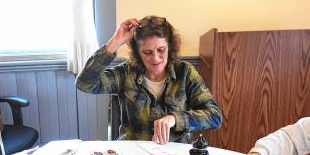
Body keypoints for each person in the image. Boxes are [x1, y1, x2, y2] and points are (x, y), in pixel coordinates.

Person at [75, 16, 222, 144]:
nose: (156, 58)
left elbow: (214, 116)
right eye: (147, 52)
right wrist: (116, 42)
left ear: (170, 47)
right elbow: (84, 83)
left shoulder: (185, 72)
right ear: (138, 53)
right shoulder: (125, 73)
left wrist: (175, 119)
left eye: (161, 50)